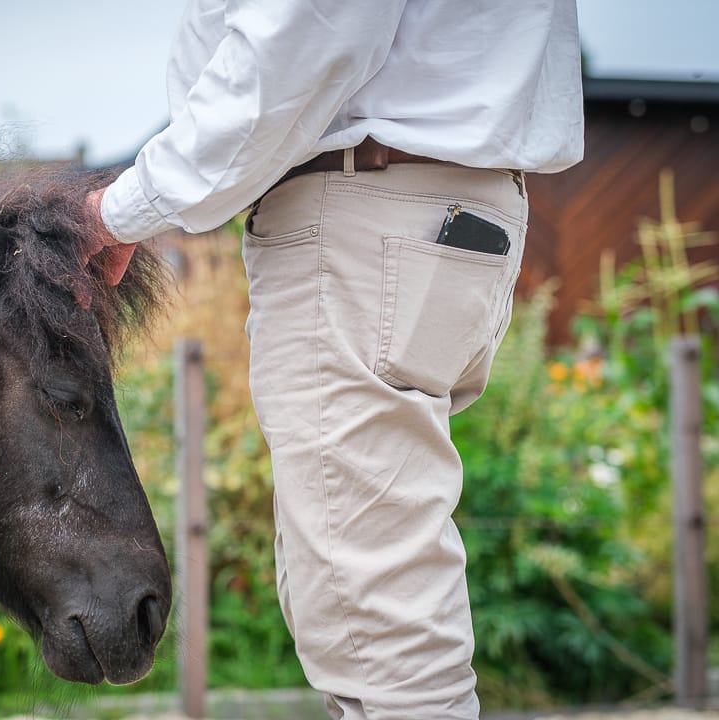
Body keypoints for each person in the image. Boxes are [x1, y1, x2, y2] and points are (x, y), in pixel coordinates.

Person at [83, 2, 584, 718]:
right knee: (358, 584)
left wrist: (119, 211)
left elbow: (303, 33)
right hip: (441, 210)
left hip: (364, 211)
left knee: (373, 617)